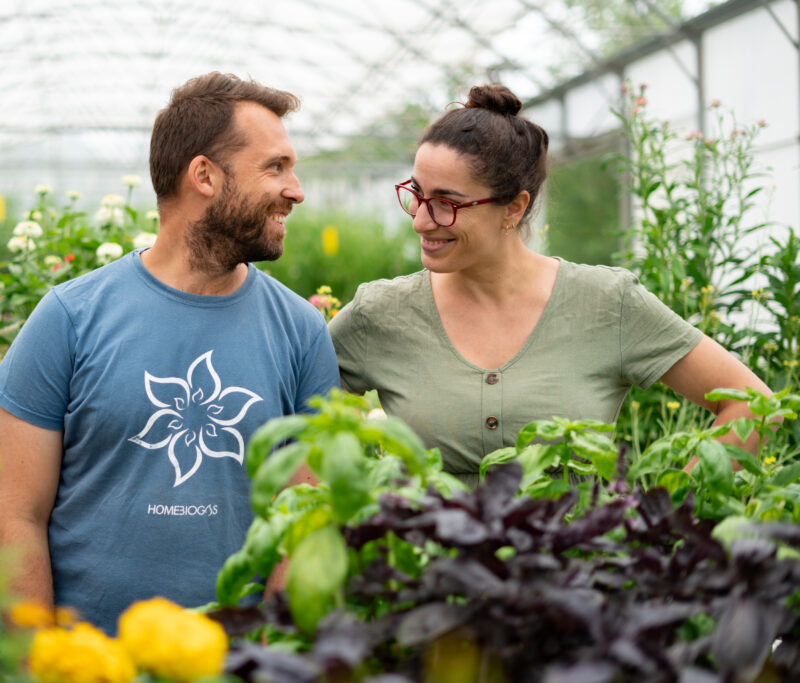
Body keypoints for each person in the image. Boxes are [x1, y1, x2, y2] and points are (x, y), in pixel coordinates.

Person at [0, 72, 339, 632]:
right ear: (204, 175)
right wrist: (37, 660)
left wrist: (273, 659)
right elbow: (17, 513)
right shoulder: (71, 317)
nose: (295, 190)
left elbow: (307, 519)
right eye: (275, 167)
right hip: (93, 664)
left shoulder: (300, 330)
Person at [328, 84, 770, 488]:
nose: (421, 220)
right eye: (417, 194)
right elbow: (284, 405)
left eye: (446, 203)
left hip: (576, 575)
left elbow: (752, 405)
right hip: (429, 574)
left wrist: (663, 522)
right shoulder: (380, 314)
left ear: (513, 208)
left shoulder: (605, 303)